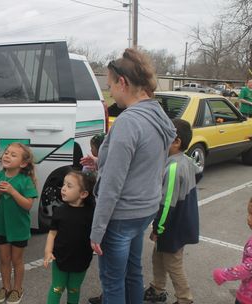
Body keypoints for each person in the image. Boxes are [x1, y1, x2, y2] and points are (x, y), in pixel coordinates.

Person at [88, 48, 176, 304]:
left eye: (110, 85)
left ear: (123, 82)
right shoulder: (157, 114)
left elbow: (113, 184)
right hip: (144, 209)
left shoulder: (129, 121)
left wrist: (97, 230)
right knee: (133, 272)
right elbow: (143, 160)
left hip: (121, 214)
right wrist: (99, 161)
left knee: (113, 282)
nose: (110, 91)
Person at [144, 119, 200, 304]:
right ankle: (157, 288)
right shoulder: (186, 160)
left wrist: (158, 228)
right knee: (158, 256)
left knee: (173, 263)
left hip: (173, 225)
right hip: (179, 222)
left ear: (176, 142)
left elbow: (167, 204)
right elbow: (199, 174)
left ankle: (185, 299)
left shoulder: (174, 167)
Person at [0, 142, 38, 304]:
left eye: (13, 154)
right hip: (1, 226)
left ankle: (17, 289)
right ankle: (6, 287)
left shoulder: (25, 181)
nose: (7, 156)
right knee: (4, 259)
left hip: (19, 228)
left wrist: (12, 191)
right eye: (7, 153)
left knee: (16, 260)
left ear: (23, 163)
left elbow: (28, 205)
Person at [43, 170, 95, 304]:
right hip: (60, 258)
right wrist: (48, 251)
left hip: (81, 259)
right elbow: (52, 233)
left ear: (83, 194)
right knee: (57, 288)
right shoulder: (60, 211)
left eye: (69, 186)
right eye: (63, 185)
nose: (63, 189)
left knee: (74, 289)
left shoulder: (91, 212)